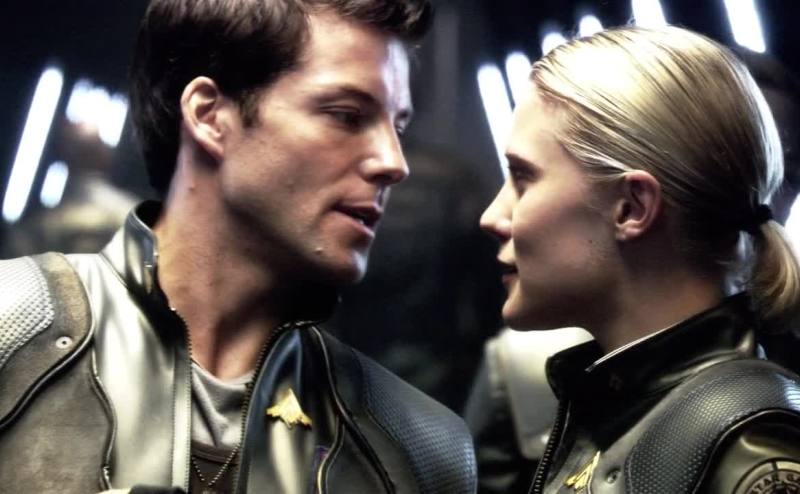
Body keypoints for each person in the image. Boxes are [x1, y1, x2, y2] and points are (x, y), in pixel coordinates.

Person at [0, 1, 478, 493]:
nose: (394, 162)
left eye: (398, 127)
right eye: (346, 115)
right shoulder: (10, 330)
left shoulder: (419, 452)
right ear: (210, 115)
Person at [479, 26, 800, 494]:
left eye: (523, 178)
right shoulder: (626, 409)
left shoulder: (749, 446)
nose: (492, 216)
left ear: (631, 207)